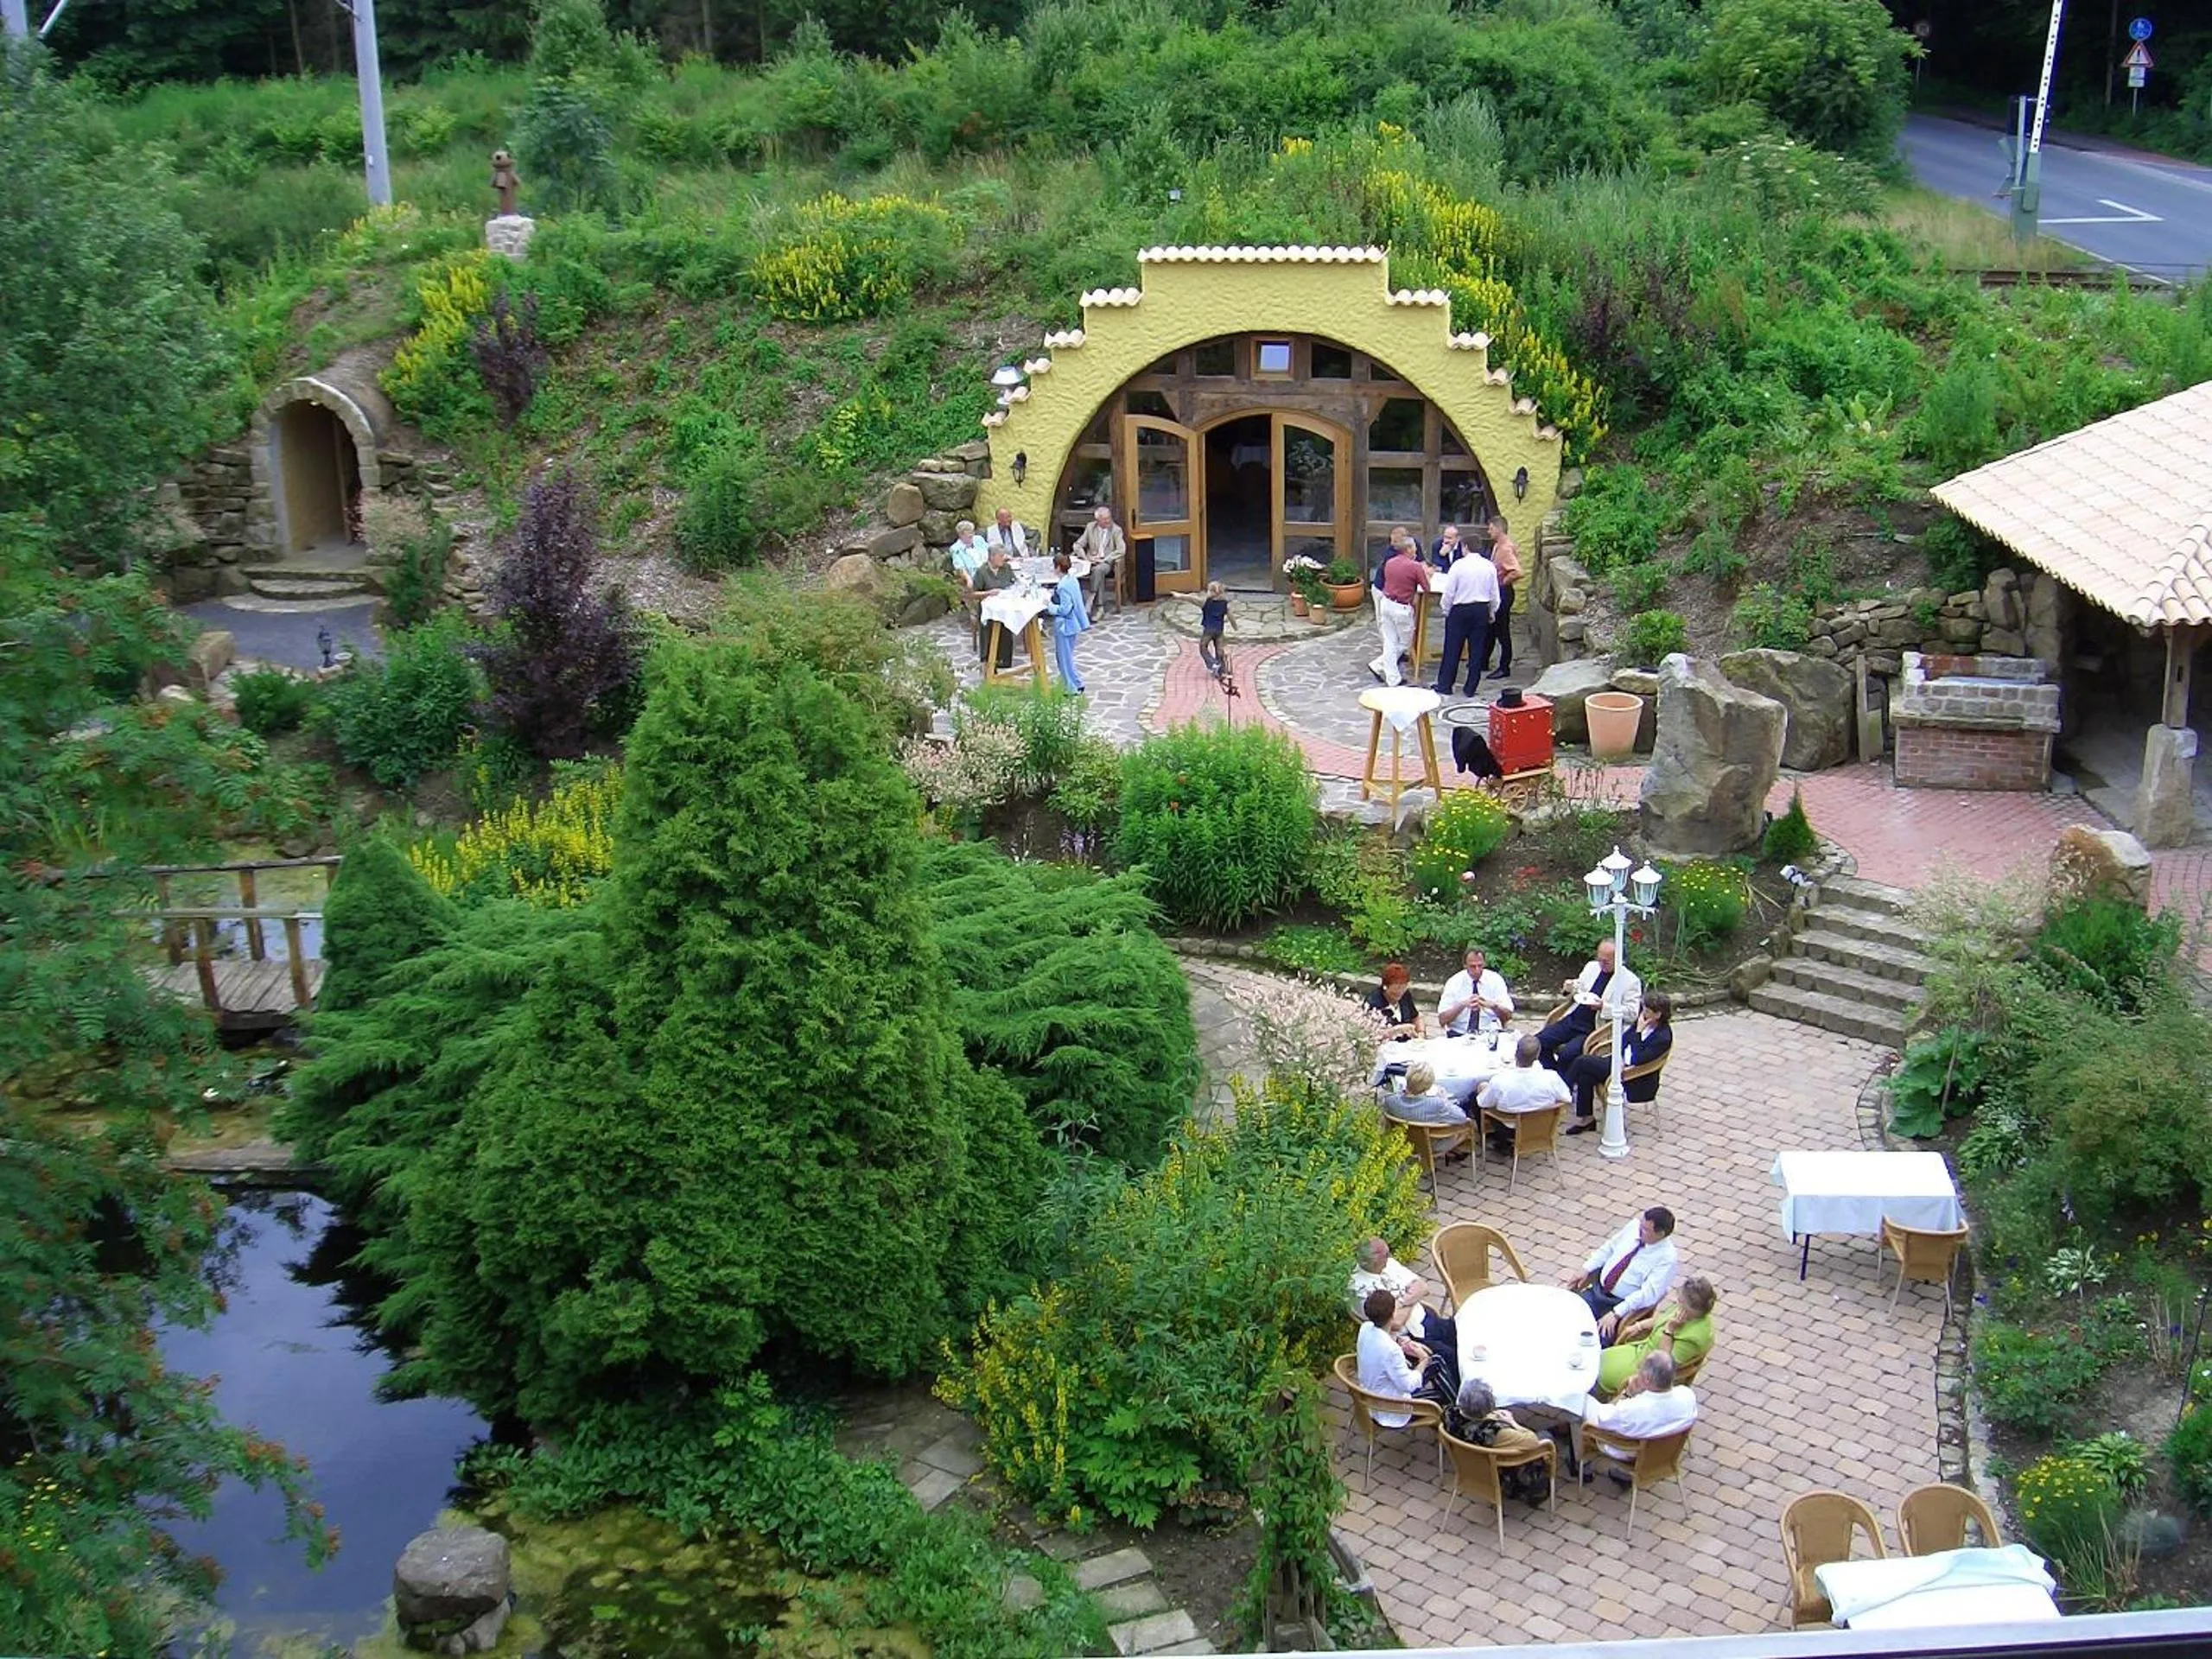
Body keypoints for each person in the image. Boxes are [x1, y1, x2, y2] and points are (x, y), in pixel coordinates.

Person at [1563, 990, 1672, 1135]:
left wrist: (1639, 1032)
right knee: (1585, 1076)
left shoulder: (1662, 1037)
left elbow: (1638, 1058)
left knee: (1582, 1062)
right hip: (1618, 1062)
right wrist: (1620, 1057)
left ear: (1658, 1015)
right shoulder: (1643, 1019)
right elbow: (1623, 1040)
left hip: (1634, 1075)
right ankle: (1587, 1119)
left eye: (1647, 1009)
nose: (1643, 1011)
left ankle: (1562, 1093)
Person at [1578, 1351, 1697, 1484]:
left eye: (1640, 1368)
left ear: (1646, 1379)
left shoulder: (1631, 1409)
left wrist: (1627, 1394)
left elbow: (1601, 1418)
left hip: (1629, 1452)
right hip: (1664, 1454)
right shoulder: (1688, 1396)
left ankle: (1577, 1462)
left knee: (1582, 1406)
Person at [1564, 1207, 1678, 1342]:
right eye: (1641, 1225)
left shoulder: (1667, 1258)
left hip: (1620, 1305)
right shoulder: (1634, 1227)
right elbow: (1609, 1248)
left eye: (1646, 1230)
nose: (1640, 1231)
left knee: (1595, 1341)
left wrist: (1616, 1313)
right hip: (1597, 1291)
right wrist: (1586, 1268)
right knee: (1566, 1317)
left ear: (1661, 1234)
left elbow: (1648, 1294)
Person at [1597, 1276, 1716, 1399]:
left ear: (1691, 1308)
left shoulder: (1693, 1339)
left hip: (1649, 1369)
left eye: (1681, 1301)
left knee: (1598, 1373)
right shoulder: (1683, 1311)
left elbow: (1664, 1364)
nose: (1678, 1301)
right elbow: (1661, 1319)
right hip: (1642, 1349)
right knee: (1597, 1357)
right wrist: (1639, 1326)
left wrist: (1669, 1330)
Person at [1535, 939, 1643, 1073]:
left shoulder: (1630, 981)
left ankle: (1564, 1085)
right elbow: (1580, 986)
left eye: (1606, 962)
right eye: (1599, 959)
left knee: (1567, 1054)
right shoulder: (1592, 967)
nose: (1601, 964)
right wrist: (1569, 987)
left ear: (1619, 960)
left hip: (1595, 1028)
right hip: (1574, 1019)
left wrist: (1604, 1007)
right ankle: (1554, 1075)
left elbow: (1632, 1014)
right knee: (1537, 1042)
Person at [1445, 1379, 1554, 1507]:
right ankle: (1535, 1489)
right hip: (1497, 1470)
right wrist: (1512, 1422)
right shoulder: (1496, 1433)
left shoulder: (1449, 1414)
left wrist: (1493, 1416)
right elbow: (1532, 1441)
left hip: (1470, 1466)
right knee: (1546, 1436)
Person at [1349, 1236, 1457, 1360]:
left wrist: (1400, 1303)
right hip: (1409, 1338)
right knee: (1451, 1357)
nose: (1389, 1257)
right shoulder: (1358, 1289)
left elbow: (1423, 1287)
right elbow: (1395, 1323)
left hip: (1426, 1318)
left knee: (1464, 1333)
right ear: (1374, 1261)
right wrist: (1412, 1298)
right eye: (1386, 1254)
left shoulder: (1390, 1264)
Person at [1356, 1287, 1439, 1429]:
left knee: (1431, 1366)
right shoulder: (1391, 1350)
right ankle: (1458, 1412)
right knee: (1437, 1364)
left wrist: (1399, 1341)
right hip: (1393, 1410)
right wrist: (1423, 1359)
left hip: (1370, 1397)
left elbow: (1382, 1342)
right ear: (1393, 1313)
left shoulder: (1365, 1328)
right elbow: (1408, 1385)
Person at [1475, 1034, 1572, 1155]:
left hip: (1510, 1129)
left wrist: (1483, 1088)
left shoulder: (1501, 1080)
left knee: (1475, 1097)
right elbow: (1567, 1098)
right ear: (1537, 1055)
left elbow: (1483, 1103)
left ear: (1516, 1054)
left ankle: (1499, 1141)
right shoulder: (1551, 1078)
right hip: (1542, 1128)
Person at [1431, 539, 1500, 698]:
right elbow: (1494, 594)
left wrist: (1446, 609)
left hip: (1460, 609)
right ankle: (1470, 687)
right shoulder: (1489, 566)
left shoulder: (1458, 566)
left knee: (1452, 648)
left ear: (1465, 547)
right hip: (1481, 608)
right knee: (1476, 650)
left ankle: (1445, 684)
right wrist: (1491, 611)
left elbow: (1449, 592)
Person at [1368, 530, 1433, 688]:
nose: (1416, 552)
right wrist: (1426, 576)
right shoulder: (1415, 567)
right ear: (1408, 550)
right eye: (1414, 549)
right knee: (1404, 644)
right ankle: (1378, 664)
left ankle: (1392, 679)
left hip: (1387, 603)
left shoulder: (1390, 563)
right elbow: (1426, 588)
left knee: (1390, 642)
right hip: (1401, 608)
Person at [1480, 516, 1522, 679]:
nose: (1488, 531)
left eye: (1490, 528)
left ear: (1499, 528)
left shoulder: (1505, 548)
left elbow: (1517, 571)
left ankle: (1504, 667)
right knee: (1491, 627)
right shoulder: (1499, 545)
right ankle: (1483, 660)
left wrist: (1503, 581)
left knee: (1501, 630)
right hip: (1498, 591)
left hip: (1503, 591)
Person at [1439, 947, 1514, 1037]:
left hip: (1489, 1033)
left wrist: (1494, 1007)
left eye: (1480, 965)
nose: (1477, 970)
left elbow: (1508, 1016)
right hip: (1459, 1033)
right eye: (1473, 966)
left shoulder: (1495, 980)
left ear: (1484, 963)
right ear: (1465, 965)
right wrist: (1462, 1005)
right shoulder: (1454, 982)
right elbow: (1442, 1020)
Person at [970, 541, 1020, 671]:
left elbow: (1014, 584)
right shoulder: (982, 572)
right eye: (1000, 556)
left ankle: (1004, 661)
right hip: (988, 610)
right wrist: (989, 593)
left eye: (1004, 555)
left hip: (1004, 607)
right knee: (989, 633)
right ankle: (988, 661)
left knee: (1005, 632)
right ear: (992, 557)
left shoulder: (1007, 568)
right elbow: (973, 593)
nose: (1003, 558)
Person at [1046, 551, 1090, 692]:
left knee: (1063, 659)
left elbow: (1065, 609)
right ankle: (1076, 682)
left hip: (1065, 625)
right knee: (1068, 656)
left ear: (1058, 567)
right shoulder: (1072, 579)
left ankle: (1070, 687)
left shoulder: (1063, 586)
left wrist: (1050, 606)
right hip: (1075, 623)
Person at [1380, 1060, 1470, 1128]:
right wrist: (1443, 1099)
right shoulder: (1436, 1103)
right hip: (1431, 1143)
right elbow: (1461, 1118)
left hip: (1402, 1140)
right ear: (1428, 1086)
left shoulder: (1390, 1100)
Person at [1071, 505, 1126, 613]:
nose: (1108, 521)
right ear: (1098, 520)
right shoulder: (1090, 527)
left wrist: (1105, 559)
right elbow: (1077, 545)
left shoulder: (1116, 530)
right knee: (1093, 572)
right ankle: (1097, 607)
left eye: (1109, 518)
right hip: (1091, 562)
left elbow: (1121, 550)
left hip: (1106, 562)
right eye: (1104, 519)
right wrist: (1086, 557)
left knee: (1098, 570)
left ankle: (1093, 599)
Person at [1366, 962, 1421, 1040]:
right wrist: (1397, 1030)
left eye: (1403, 987)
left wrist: (1421, 1033)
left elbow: (1416, 1017)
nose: (1400, 992)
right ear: (1385, 986)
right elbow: (1371, 1035)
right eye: (1396, 989)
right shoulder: (1374, 1003)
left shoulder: (1405, 995)